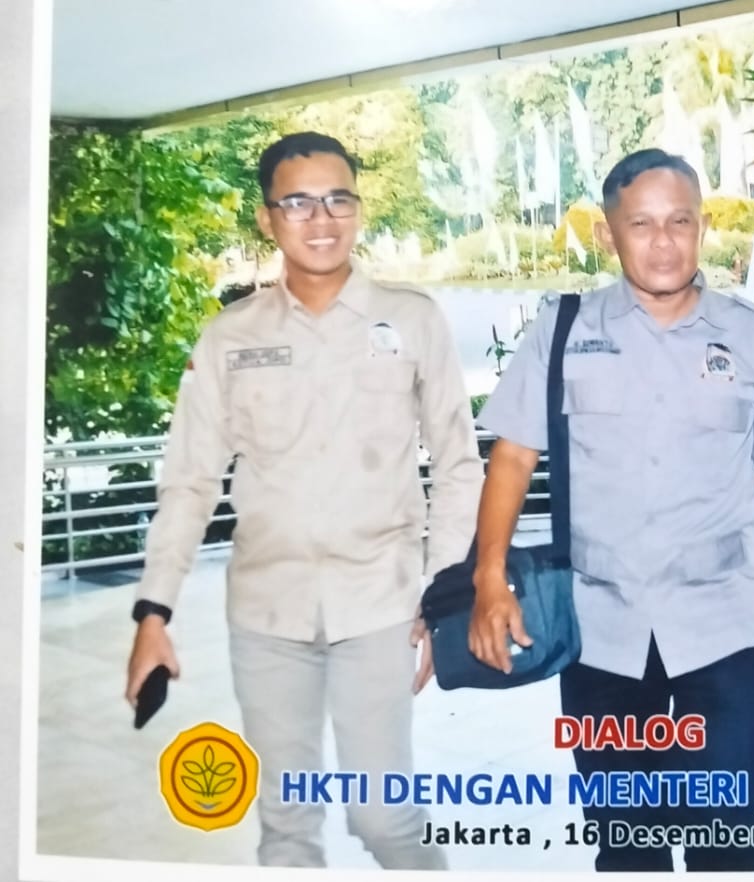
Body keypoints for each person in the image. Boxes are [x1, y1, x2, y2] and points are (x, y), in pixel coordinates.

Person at [124, 131, 483, 869]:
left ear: (358, 208)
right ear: (267, 218)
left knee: (386, 818)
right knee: (286, 825)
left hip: (380, 605)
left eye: (338, 199)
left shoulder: (412, 320)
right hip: (267, 614)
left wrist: (444, 590)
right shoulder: (230, 338)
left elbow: (457, 462)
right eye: (298, 203)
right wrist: (153, 612)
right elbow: (190, 480)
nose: (321, 219)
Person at [469, 148, 754, 872]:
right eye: (642, 224)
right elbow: (512, 457)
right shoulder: (563, 330)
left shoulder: (748, 335)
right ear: (608, 234)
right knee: (625, 836)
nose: (664, 243)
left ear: (703, 227)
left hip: (720, 629)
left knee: (728, 834)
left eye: (680, 222)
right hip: (602, 631)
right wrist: (487, 577)